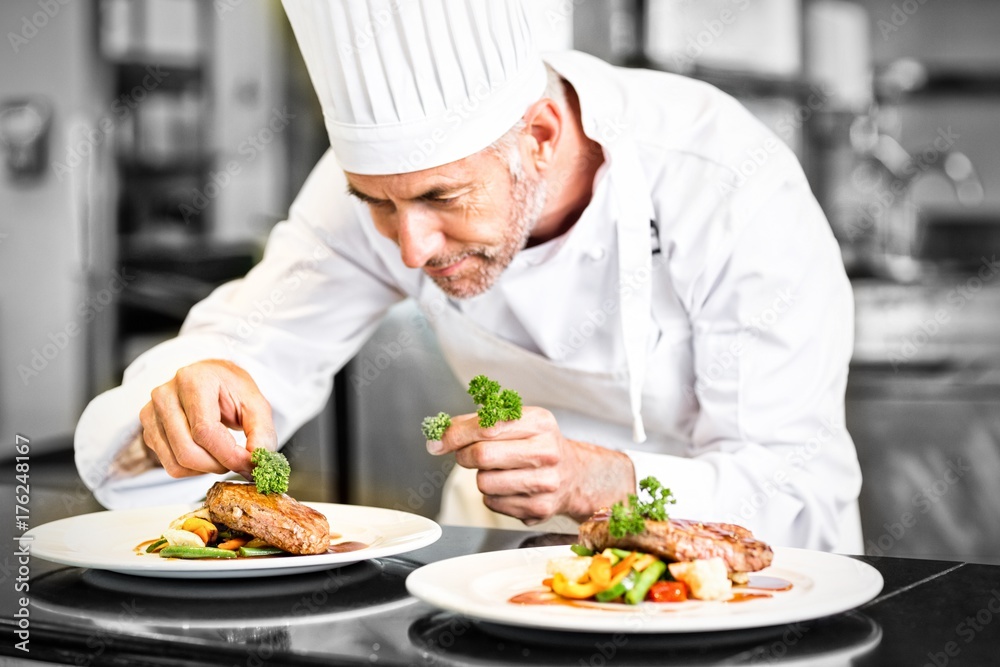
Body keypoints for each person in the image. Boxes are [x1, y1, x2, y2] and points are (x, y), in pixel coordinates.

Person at [75, 0, 863, 551]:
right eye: (378, 204)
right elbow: (254, 340)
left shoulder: (725, 177)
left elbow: (792, 484)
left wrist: (604, 480)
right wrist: (194, 390)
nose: (410, 246)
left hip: (734, 604)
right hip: (500, 573)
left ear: (543, 136)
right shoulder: (379, 188)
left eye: (441, 197)